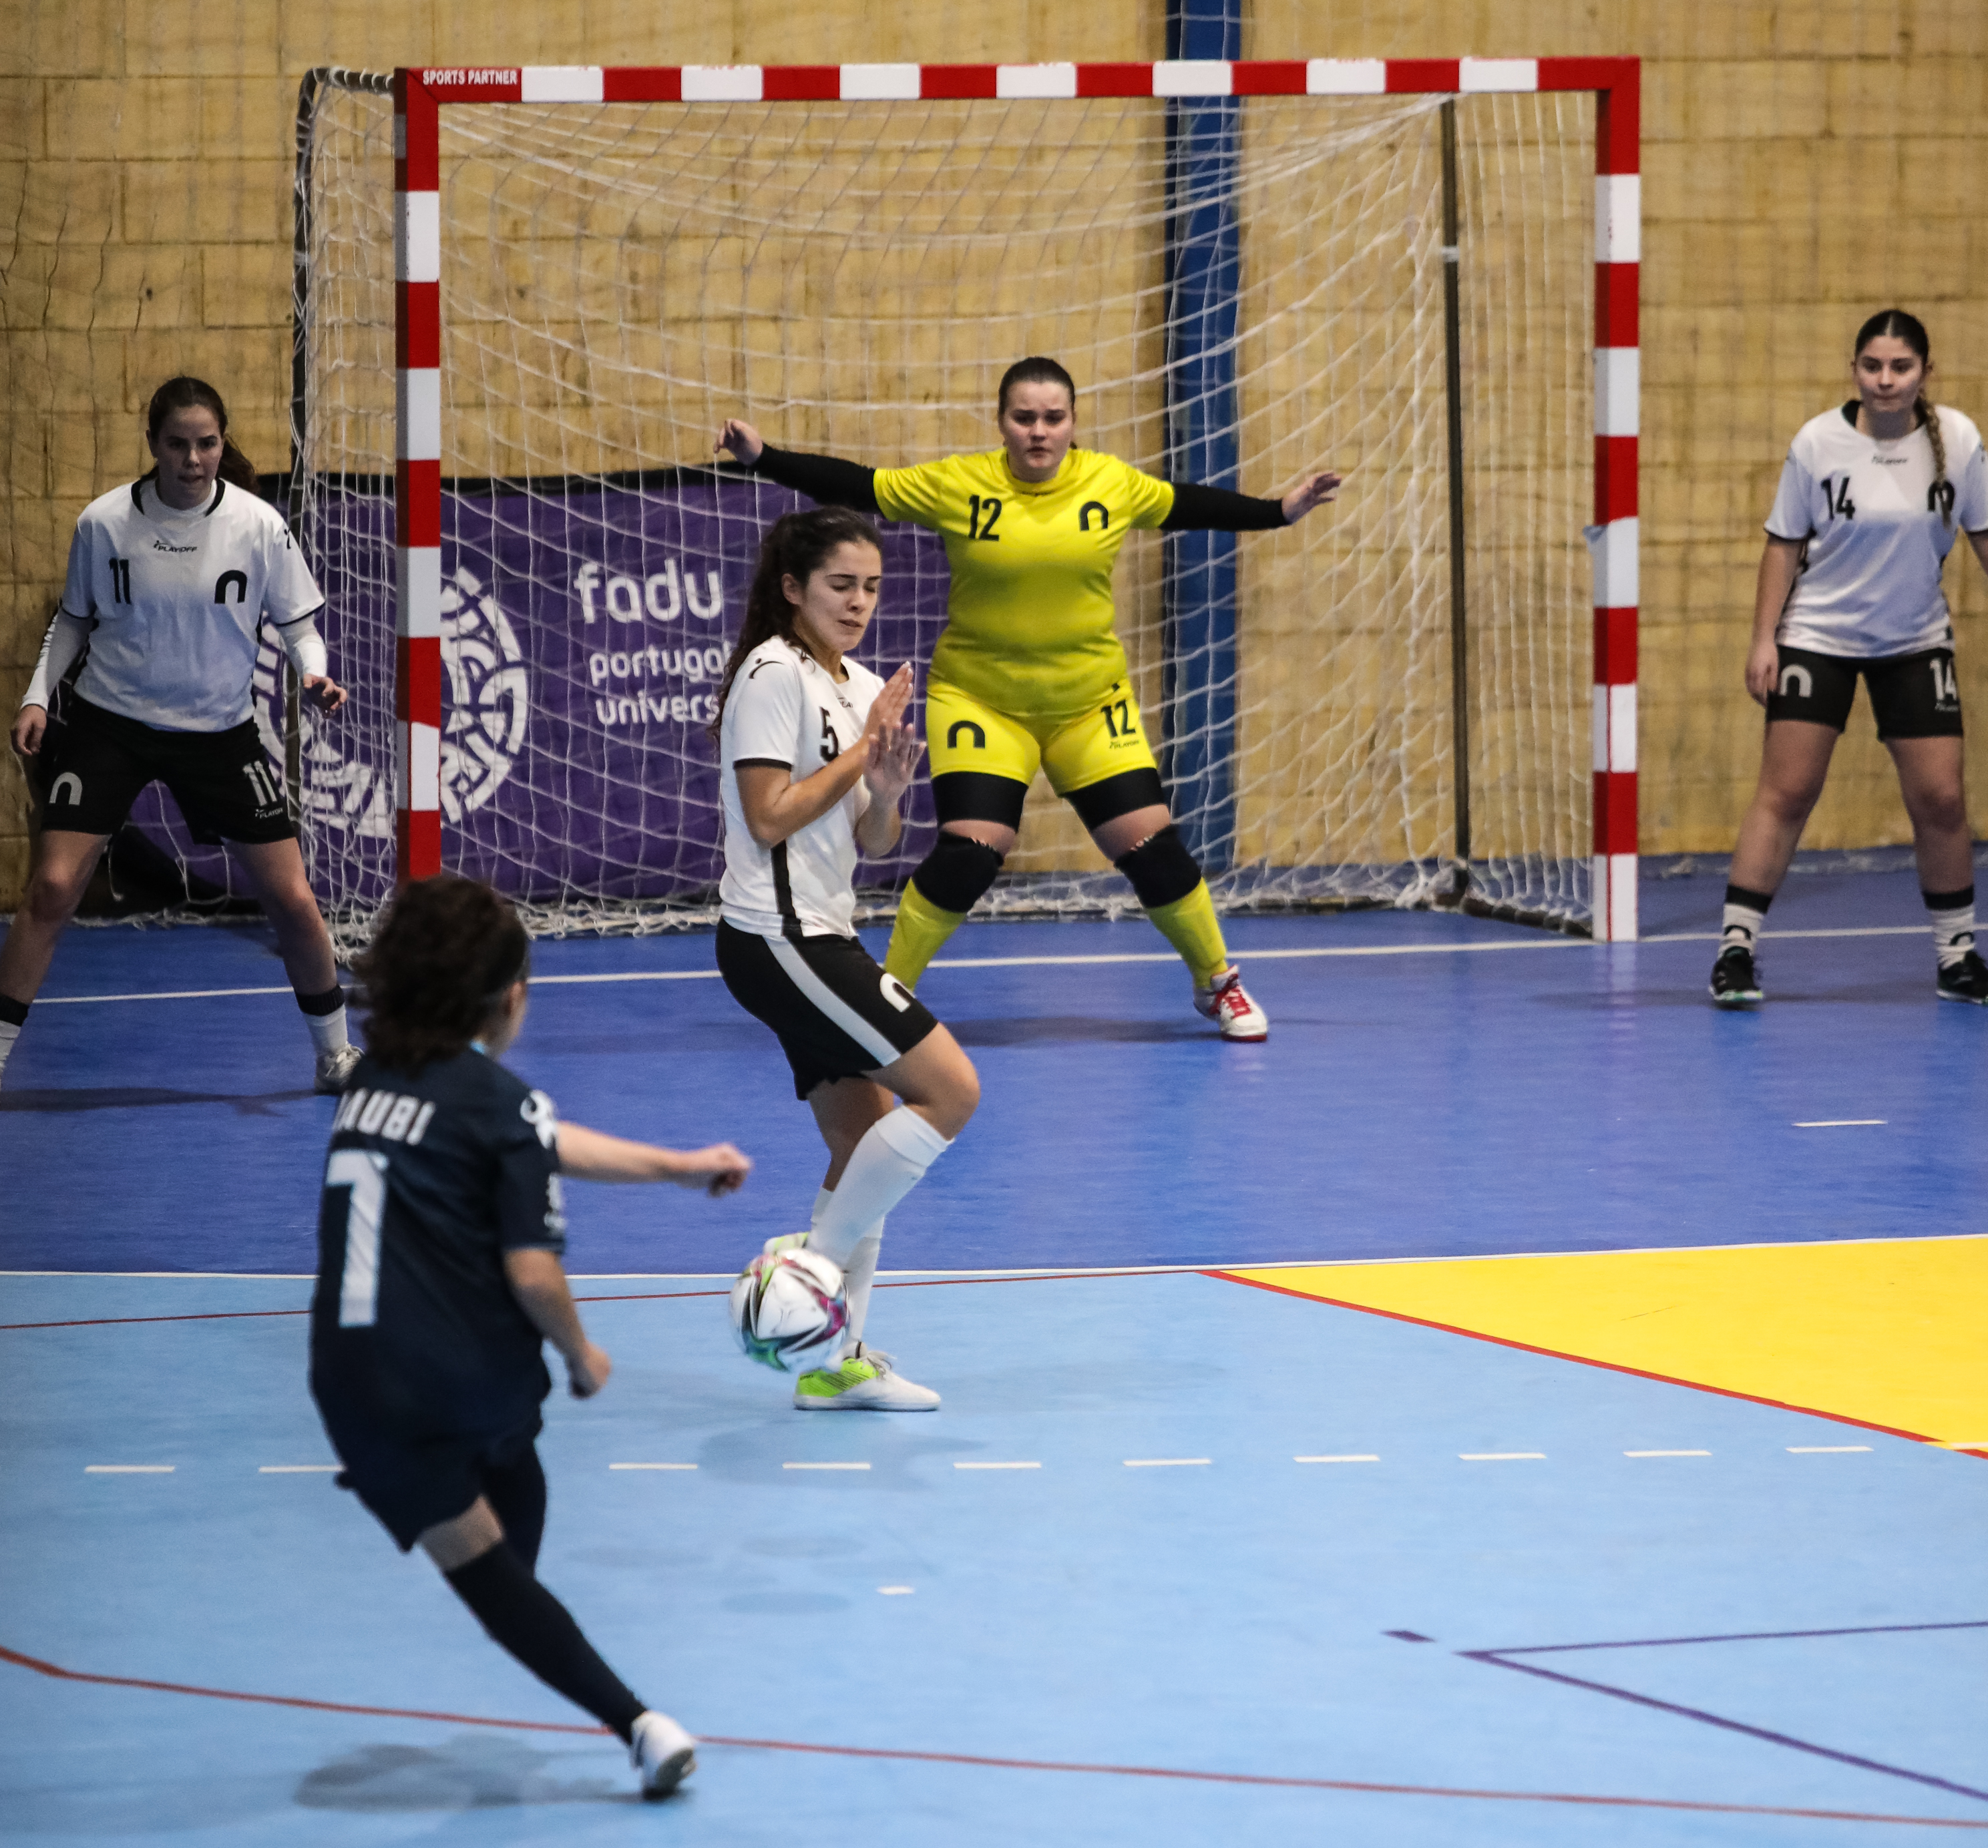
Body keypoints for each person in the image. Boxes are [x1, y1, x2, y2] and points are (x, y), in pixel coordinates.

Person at [716, 357, 1344, 1042]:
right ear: (1002, 422)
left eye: (1054, 418)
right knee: (970, 852)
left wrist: (1280, 511)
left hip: (1088, 704)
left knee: (1151, 845)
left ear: (1072, 423)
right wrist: (764, 455)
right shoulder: (961, 483)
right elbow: (860, 486)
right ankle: (884, 993)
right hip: (981, 700)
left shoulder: (1110, 482)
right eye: (1025, 417)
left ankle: (1217, 981)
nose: (1039, 431)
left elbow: (1188, 504)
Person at [311, 873, 752, 1798]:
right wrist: (580, 1353)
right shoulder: (497, 1102)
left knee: (488, 1544)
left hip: (350, 1390)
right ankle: (639, 1720)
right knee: (507, 1494)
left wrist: (676, 1167)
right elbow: (533, 1272)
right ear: (508, 997)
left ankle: (502, 1582)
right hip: (462, 1380)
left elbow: (536, 1137)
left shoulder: (374, 1083)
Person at [2, 376, 361, 1090]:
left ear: (221, 444)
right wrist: (38, 696)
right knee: (50, 887)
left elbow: (299, 628)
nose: (193, 458)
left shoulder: (259, 526)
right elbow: (73, 619)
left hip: (219, 734)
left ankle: (334, 1054)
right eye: (178, 443)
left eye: (207, 443)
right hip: (111, 726)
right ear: (154, 446)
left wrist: (313, 673)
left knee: (292, 899)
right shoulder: (104, 523)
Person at [711, 507, 980, 1411]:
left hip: (823, 927)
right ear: (793, 589)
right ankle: (804, 1279)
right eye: (840, 585)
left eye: (870, 587)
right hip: (775, 938)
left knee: (863, 1141)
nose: (859, 602)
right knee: (951, 1091)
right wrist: (865, 748)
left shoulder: (861, 683)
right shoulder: (770, 674)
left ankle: (833, 1364)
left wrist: (891, 784)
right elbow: (768, 816)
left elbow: (871, 835)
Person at [1711, 310, 1988, 1009]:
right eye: (1872, 366)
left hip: (1914, 641)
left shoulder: (1958, 442)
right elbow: (1782, 544)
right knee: (1787, 793)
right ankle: (1735, 950)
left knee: (1940, 798)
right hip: (1819, 638)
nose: (1885, 380)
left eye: (1900, 368)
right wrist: (1765, 639)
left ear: (1924, 373)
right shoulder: (1818, 442)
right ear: (1855, 370)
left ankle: (1957, 956)